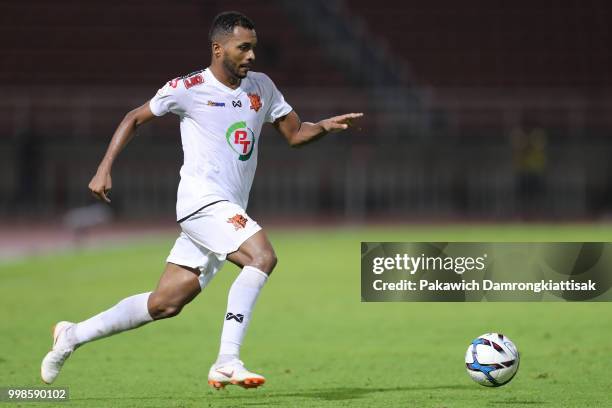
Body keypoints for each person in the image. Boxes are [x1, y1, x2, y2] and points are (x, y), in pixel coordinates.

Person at [40, 11, 362, 390]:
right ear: (218, 48)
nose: (251, 56)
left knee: (165, 303)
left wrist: (323, 127)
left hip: (228, 208)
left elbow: (294, 133)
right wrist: (103, 167)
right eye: (243, 48)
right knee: (262, 256)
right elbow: (134, 118)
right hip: (201, 202)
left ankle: (71, 335)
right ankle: (227, 360)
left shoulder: (262, 87)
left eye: (253, 48)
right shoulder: (188, 88)